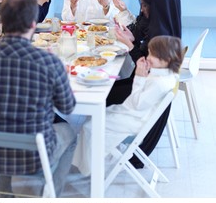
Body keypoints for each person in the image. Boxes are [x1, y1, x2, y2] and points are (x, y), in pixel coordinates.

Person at [0, 0, 77, 197]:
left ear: (3, 21)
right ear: (34, 24)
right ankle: (50, 196)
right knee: (70, 133)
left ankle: (5, 196)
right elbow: (68, 107)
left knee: (2, 126)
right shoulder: (47, 61)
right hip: (33, 154)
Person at [73, 35, 183, 175]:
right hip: (134, 115)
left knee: (90, 126)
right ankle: (87, 162)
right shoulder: (164, 75)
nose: (148, 57)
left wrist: (139, 77)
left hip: (134, 120)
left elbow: (136, 103)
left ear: (166, 59)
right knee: (92, 120)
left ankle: (89, 167)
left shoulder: (159, 83)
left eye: (152, 55)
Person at [109, 0, 182, 168]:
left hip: (145, 91)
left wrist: (130, 45)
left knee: (104, 93)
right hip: (145, 86)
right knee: (108, 84)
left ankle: (102, 139)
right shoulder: (165, 26)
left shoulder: (161, 35)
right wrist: (132, 40)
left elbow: (145, 65)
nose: (142, 10)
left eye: (145, 6)